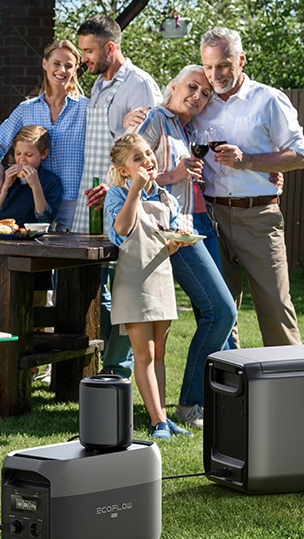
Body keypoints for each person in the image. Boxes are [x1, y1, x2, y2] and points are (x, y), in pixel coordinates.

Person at [124, 65, 237, 428]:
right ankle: (191, 404)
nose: (198, 96)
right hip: (170, 233)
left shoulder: (188, 129)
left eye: (205, 93)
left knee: (216, 313)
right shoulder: (156, 118)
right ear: (173, 87)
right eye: (192, 87)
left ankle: (218, 398)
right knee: (221, 311)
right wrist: (172, 175)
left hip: (195, 226)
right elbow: (127, 167)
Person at [193, 27, 304, 347]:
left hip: (258, 216)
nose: (215, 75)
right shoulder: (200, 101)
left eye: (223, 65)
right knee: (218, 312)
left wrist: (248, 161)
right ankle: (226, 377)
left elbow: (299, 156)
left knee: (275, 308)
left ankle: (290, 376)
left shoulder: (269, 99)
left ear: (241, 60)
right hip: (211, 217)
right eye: (208, 66)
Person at [75, 14, 163, 380]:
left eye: (88, 51)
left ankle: (118, 370)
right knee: (100, 285)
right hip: (97, 196)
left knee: (126, 288)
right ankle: (101, 365)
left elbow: (148, 150)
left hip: (126, 200)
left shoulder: (139, 84)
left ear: (110, 47)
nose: (83, 58)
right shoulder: (98, 84)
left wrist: (119, 188)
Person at [105, 133, 192, 439]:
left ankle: (163, 418)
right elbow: (121, 230)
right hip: (134, 282)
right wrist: (135, 191)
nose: (147, 160)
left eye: (147, 153)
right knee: (144, 354)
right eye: (137, 158)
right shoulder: (117, 195)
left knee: (160, 353)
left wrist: (177, 242)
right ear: (124, 170)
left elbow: (168, 242)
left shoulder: (166, 198)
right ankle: (157, 422)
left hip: (161, 278)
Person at [0, 40, 87, 231]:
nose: (62, 70)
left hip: (74, 204)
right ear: (45, 64)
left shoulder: (87, 108)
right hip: (34, 207)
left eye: (68, 65)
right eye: (56, 64)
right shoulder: (26, 109)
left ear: (75, 69)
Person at [0, 125, 63, 226]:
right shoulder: (5, 175)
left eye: (28, 155)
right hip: (4, 230)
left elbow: (45, 219)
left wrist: (36, 187)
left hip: (32, 233)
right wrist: (5, 186)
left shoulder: (51, 181)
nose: (22, 160)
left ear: (44, 154)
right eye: (18, 153)